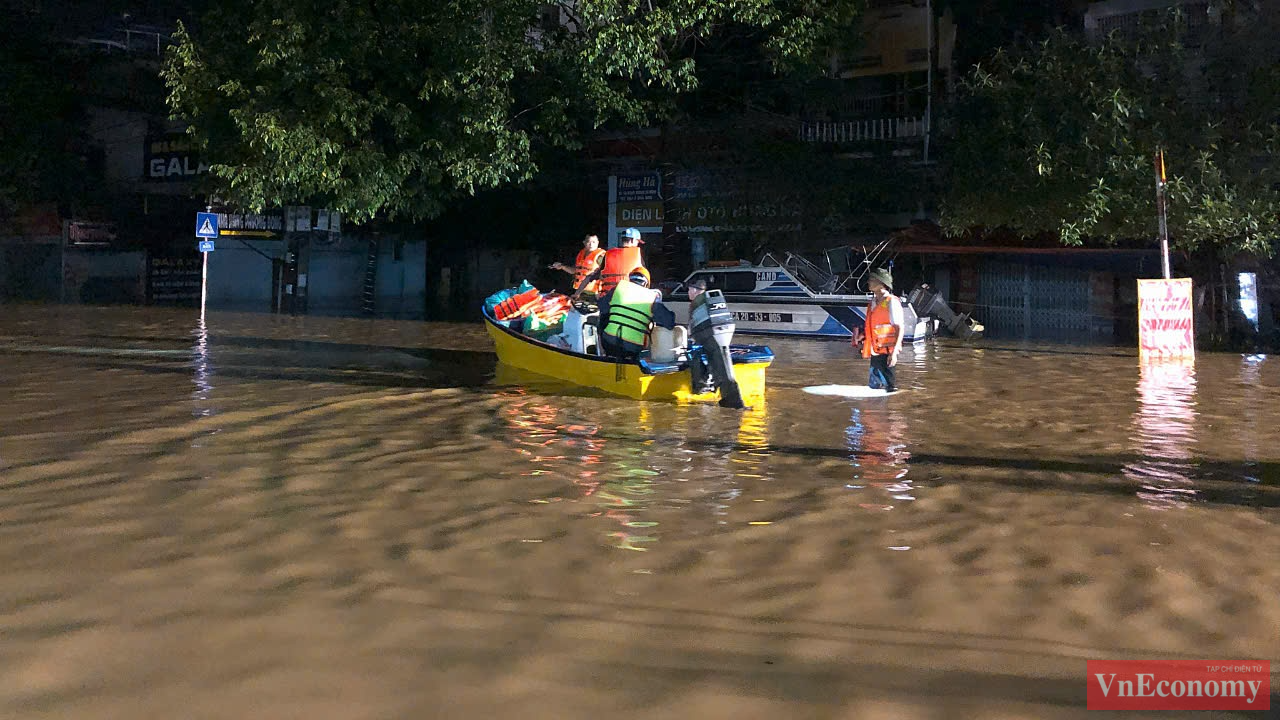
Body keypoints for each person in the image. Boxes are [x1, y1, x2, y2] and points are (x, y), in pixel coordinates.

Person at [600, 270, 674, 361]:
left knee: (603, 318)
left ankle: (602, 356)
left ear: (630, 280)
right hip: (633, 347)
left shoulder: (618, 289)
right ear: (646, 283)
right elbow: (669, 323)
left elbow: (602, 306)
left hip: (609, 341)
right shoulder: (652, 297)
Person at [853, 267, 904, 392]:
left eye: (872, 279)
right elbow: (874, 326)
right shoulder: (873, 303)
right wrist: (862, 337)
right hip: (875, 352)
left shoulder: (891, 302)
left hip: (887, 353)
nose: (869, 282)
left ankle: (891, 410)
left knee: (889, 389)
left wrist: (894, 353)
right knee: (875, 389)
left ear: (882, 283)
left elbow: (900, 327)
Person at [572, 227, 648, 301]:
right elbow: (644, 279)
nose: (638, 244)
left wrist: (576, 294)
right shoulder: (637, 256)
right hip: (628, 299)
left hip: (607, 300)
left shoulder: (608, 254)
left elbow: (589, 277)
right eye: (637, 242)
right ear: (632, 240)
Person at [550, 234, 606, 298]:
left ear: (598, 243)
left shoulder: (600, 256)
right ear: (584, 242)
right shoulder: (581, 254)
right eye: (589, 242)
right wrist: (562, 266)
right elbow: (575, 271)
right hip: (579, 291)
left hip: (594, 292)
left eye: (594, 242)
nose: (591, 244)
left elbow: (606, 273)